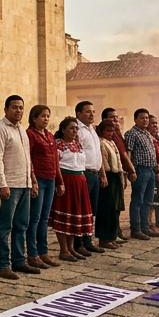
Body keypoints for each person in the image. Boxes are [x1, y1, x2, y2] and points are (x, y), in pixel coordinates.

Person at [0, 95, 38, 277]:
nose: (18, 111)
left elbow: (27, 158)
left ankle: (19, 261)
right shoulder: (0, 129)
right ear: (6, 109)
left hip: (23, 184)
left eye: (21, 108)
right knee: (5, 227)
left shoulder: (21, 130)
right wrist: (2, 185)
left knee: (21, 225)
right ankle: (2, 265)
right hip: (10, 185)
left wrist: (32, 180)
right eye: (15, 107)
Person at [51, 116, 96, 260]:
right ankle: (63, 249)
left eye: (76, 128)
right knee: (65, 212)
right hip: (67, 180)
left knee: (75, 215)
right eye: (71, 128)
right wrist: (60, 182)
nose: (74, 131)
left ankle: (71, 248)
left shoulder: (78, 145)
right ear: (63, 129)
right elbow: (56, 165)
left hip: (80, 181)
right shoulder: (58, 144)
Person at [27, 105, 61, 263]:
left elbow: (55, 160)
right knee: (35, 217)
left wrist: (59, 181)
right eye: (42, 116)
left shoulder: (49, 135)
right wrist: (33, 180)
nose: (46, 119)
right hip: (39, 178)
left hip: (51, 179)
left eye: (48, 116)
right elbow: (29, 159)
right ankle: (33, 253)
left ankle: (43, 251)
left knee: (45, 218)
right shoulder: (31, 135)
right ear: (34, 118)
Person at [125, 109, 159, 240]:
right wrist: (131, 170)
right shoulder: (131, 133)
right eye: (142, 118)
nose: (145, 120)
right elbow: (128, 153)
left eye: (146, 118)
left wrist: (156, 168)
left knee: (148, 201)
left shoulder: (147, 134)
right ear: (135, 120)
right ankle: (136, 229)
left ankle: (145, 227)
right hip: (140, 170)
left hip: (150, 170)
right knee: (137, 200)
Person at [74, 102, 104, 252]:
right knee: (81, 210)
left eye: (93, 111)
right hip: (83, 173)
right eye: (87, 112)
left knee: (91, 210)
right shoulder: (77, 130)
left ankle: (88, 240)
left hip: (95, 173)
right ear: (78, 114)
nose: (92, 114)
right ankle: (78, 243)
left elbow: (97, 153)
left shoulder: (92, 130)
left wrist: (102, 173)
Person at [95, 120, 124, 249]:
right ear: (102, 131)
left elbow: (118, 161)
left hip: (116, 176)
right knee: (106, 209)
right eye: (108, 130)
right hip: (108, 177)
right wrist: (103, 176)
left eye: (112, 131)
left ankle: (112, 237)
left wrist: (122, 177)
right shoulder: (101, 143)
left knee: (114, 209)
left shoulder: (112, 143)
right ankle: (104, 238)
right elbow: (103, 161)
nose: (111, 133)